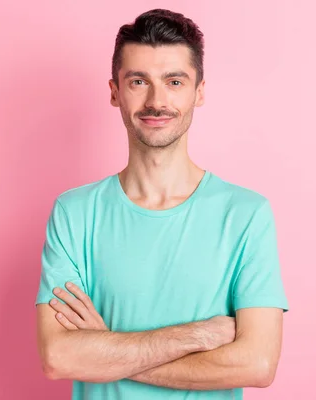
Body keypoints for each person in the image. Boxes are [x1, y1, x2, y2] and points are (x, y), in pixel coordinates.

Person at [35, 8, 289, 400]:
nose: (157, 101)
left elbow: (257, 364)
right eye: (139, 81)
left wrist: (106, 349)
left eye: (174, 81)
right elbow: (59, 356)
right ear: (115, 90)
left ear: (198, 92)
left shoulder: (246, 215)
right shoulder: (74, 213)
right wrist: (198, 336)